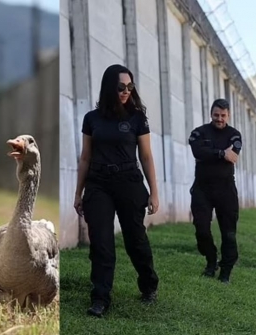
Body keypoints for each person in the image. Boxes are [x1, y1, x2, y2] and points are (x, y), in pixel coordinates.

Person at [73, 64, 160, 318]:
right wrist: (79, 193)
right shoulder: (92, 119)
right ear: (110, 87)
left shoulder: (137, 118)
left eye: (130, 87)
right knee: (100, 242)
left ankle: (149, 286)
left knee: (135, 240)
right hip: (98, 183)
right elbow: (85, 158)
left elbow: (146, 156)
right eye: (121, 87)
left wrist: (154, 192)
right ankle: (100, 298)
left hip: (129, 181)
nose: (126, 91)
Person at [188, 98, 242, 284]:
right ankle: (211, 261)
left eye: (223, 115)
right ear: (211, 114)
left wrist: (210, 151)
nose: (219, 119)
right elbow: (197, 151)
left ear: (228, 115)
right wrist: (220, 153)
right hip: (202, 189)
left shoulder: (234, 134)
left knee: (229, 233)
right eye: (216, 115)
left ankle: (225, 271)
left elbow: (233, 154)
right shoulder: (199, 132)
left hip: (226, 189)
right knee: (201, 229)